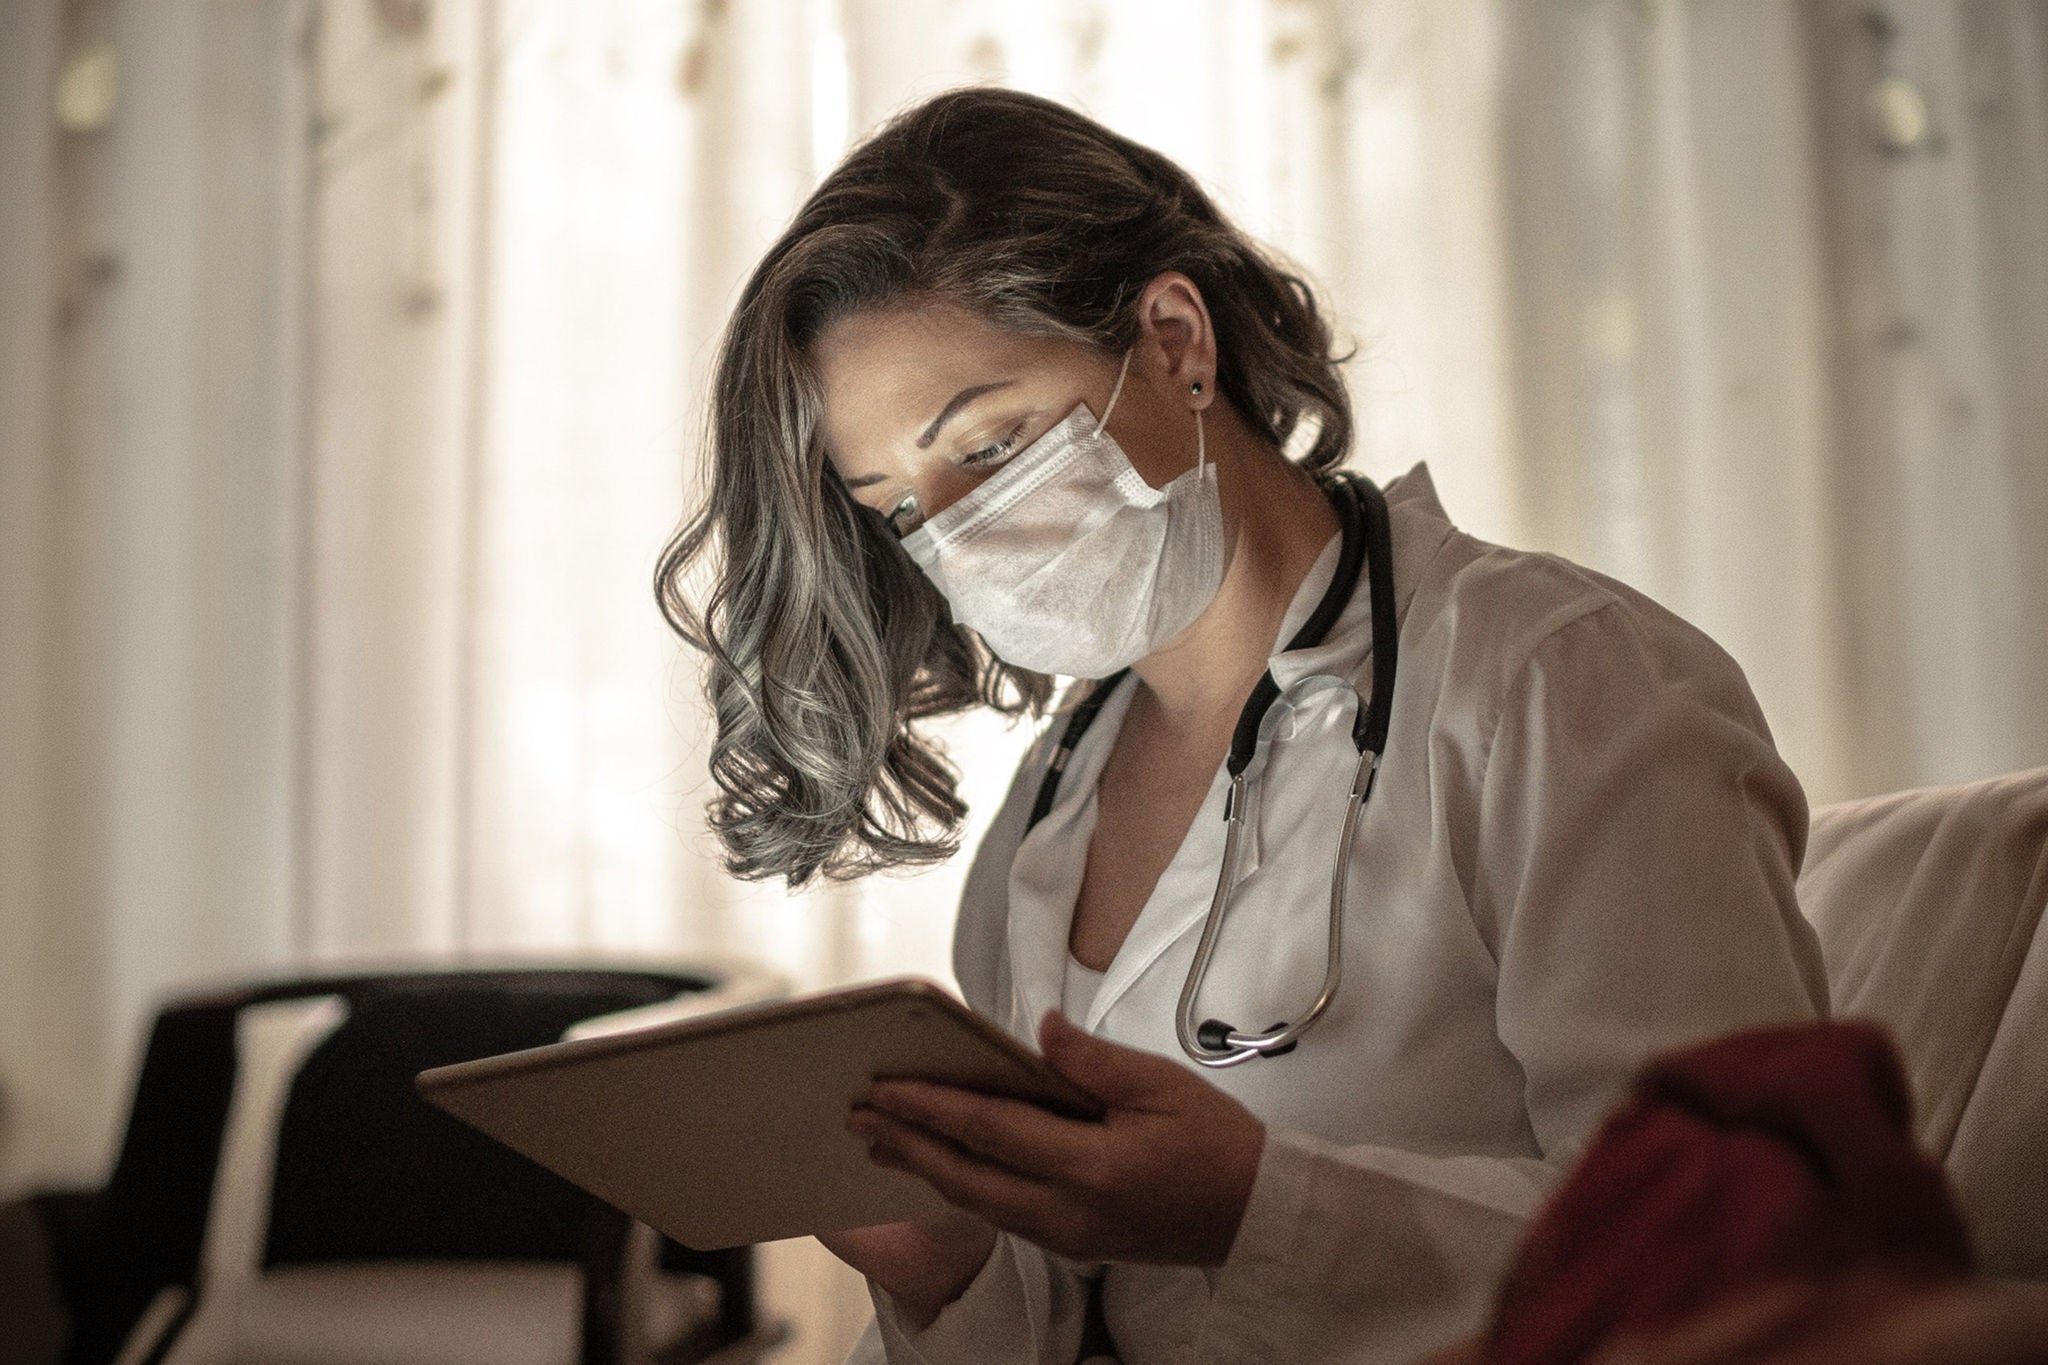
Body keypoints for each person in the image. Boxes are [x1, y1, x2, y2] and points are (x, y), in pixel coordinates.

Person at [656, 86, 1829, 1365]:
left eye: (989, 449)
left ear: (1170, 342)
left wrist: (1255, 1209)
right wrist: (955, 1272)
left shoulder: (1556, 683)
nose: (955, 539)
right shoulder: (1050, 807)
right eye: (896, 509)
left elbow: (1755, 1266)